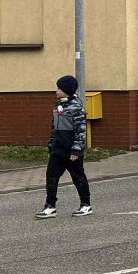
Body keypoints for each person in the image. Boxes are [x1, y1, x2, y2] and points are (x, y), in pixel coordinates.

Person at [36, 75, 92, 219]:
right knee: (51, 176)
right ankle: (50, 206)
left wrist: (76, 149)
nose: (56, 90)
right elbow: (54, 128)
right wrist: (51, 145)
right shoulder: (57, 106)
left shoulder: (77, 108)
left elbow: (81, 130)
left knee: (78, 177)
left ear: (66, 90)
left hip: (72, 151)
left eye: (59, 88)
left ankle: (86, 204)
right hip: (58, 150)